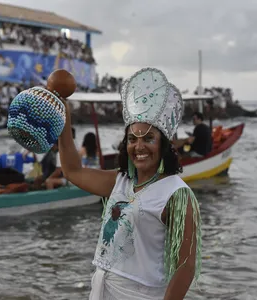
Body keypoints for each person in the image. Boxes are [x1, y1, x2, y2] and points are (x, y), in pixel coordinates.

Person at [58, 68, 201, 299]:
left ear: (163, 144)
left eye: (148, 139)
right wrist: (64, 120)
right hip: (103, 289)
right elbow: (72, 171)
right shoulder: (120, 181)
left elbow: (185, 265)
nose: (139, 146)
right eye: (132, 139)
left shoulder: (177, 194)